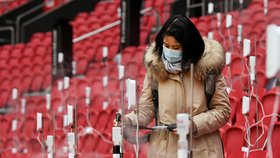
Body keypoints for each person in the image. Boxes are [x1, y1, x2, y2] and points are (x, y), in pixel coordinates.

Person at [122, 15, 231, 158]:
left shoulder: (209, 70)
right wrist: (129, 120)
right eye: (166, 46)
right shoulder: (155, 70)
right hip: (164, 151)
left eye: (176, 48)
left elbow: (222, 111)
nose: (170, 52)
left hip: (202, 151)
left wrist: (193, 124)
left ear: (189, 47)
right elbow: (146, 109)